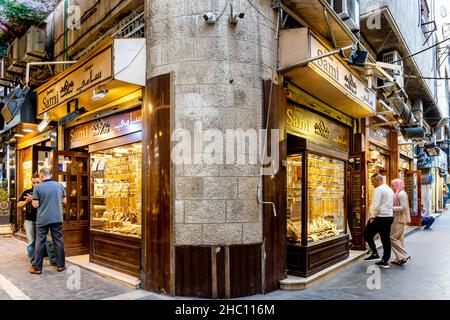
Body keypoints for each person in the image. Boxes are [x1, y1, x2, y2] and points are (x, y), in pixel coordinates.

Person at [30, 168, 67, 274]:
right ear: (50, 175)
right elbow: (64, 201)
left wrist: (34, 199)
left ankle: (37, 268)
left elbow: (35, 205)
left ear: (42, 176)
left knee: (40, 242)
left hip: (43, 219)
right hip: (57, 218)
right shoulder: (60, 185)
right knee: (58, 241)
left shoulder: (38, 187)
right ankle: (61, 266)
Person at [18, 173, 56, 268]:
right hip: (30, 221)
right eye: (34, 183)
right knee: (31, 242)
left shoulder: (44, 191)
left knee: (49, 240)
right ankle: (34, 262)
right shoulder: (27, 192)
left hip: (44, 220)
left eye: (37, 182)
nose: (35, 185)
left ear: (42, 180)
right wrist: (27, 201)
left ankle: (53, 259)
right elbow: (18, 205)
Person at [363, 173, 394, 269]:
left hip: (379, 217)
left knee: (367, 234)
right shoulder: (389, 189)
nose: (372, 184)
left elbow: (376, 205)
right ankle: (385, 261)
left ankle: (375, 253)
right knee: (385, 239)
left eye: (372, 182)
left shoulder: (378, 189)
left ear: (377, 180)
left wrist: (372, 216)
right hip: (389, 216)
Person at [390, 179, 411, 266]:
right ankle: (399, 258)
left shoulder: (401, 194)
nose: (392, 187)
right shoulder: (398, 193)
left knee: (391, 238)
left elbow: (404, 207)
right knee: (399, 239)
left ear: (397, 185)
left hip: (399, 219)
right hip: (398, 218)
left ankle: (404, 255)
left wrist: (391, 208)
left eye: (392, 185)